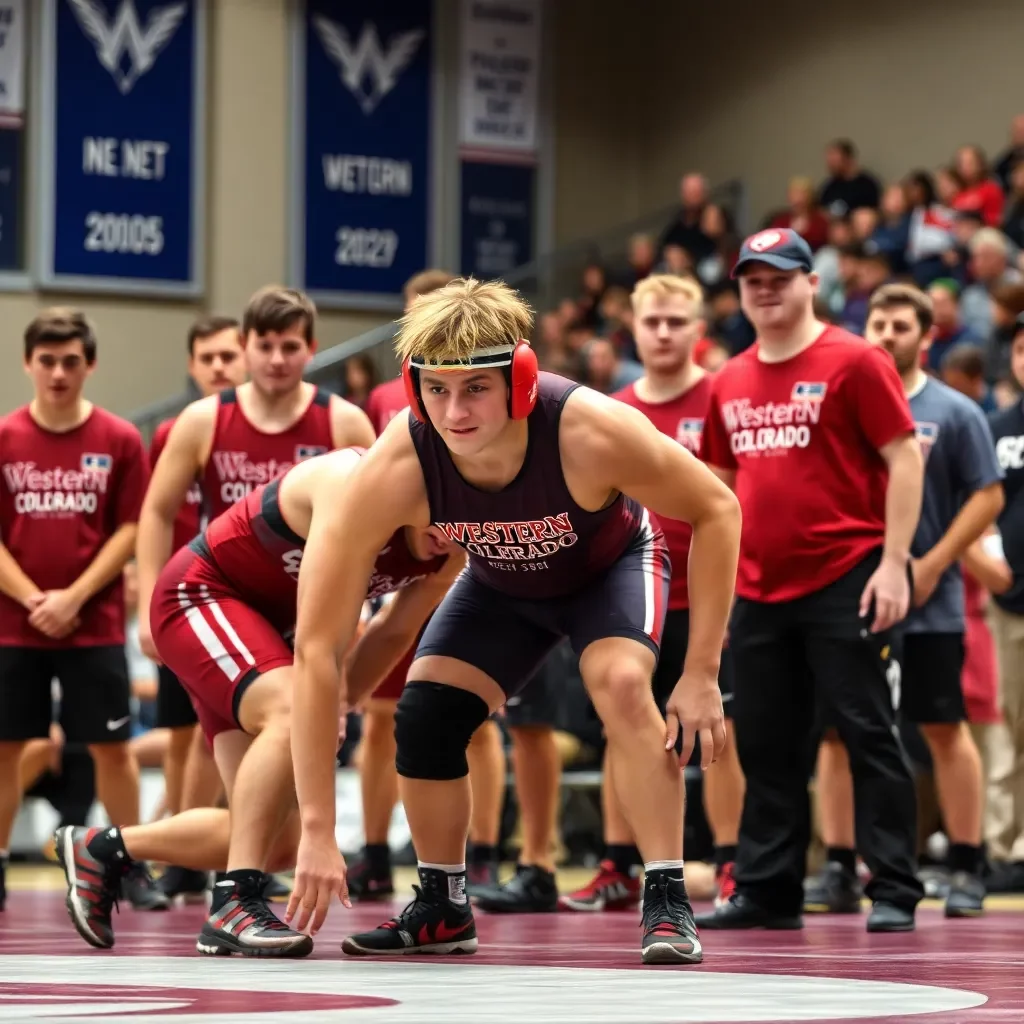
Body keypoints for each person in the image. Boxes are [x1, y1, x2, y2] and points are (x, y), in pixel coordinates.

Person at [286, 277, 740, 965]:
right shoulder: (398, 462)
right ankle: (442, 905)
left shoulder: (588, 428)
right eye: (435, 389)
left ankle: (667, 896)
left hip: (607, 571)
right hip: (501, 582)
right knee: (426, 714)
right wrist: (317, 829)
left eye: (474, 389)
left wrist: (702, 670)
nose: (454, 411)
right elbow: (317, 649)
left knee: (620, 684)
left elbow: (717, 508)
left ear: (520, 380)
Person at [55, 446, 465, 957]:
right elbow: (321, 647)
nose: (450, 533)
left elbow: (392, 630)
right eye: (442, 516)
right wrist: (324, 815)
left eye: (465, 520)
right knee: (292, 713)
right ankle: (233, 900)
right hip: (201, 595)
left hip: (266, 635)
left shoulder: (453, 545)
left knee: (276, 839)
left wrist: (340, 704)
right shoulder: (352, 487)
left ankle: (102, 848)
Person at [694, 228, 927, 934]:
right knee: (767, 742)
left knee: (866, 732)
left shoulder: (855, 360)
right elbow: (718, 491)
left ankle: (892, 885)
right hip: (761, 588)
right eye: (752, 279)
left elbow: (905, 458)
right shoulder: (728, 380)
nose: (765, 289)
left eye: (779, 276)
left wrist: (893, 564)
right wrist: (723, 587)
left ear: (811, 282)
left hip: (845, 576)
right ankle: (769, 888)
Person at [806, 283, 1003, 918]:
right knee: (837, 735)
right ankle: (838, 865)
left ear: (928, 335)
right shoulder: (845, 403)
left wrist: (933, 564)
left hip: (933, 601)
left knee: (944, 728)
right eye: (879, 324)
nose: (887, 335)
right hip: (849, 598)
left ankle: (969, 865)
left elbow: (987, 496)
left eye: (901, 325)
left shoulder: (956, 410)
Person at [559, 274, 746, 914]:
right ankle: (616, 863)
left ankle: (729, 866)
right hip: (631, 589)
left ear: (699, 330)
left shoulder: (722, 397)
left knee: (717, 731)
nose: (664, 332)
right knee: (623, 722)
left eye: (676, 322)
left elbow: (729, 501)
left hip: (704, 591)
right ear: (633, 330)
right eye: (653, 322)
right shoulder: (607, 407)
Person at [348, 267, 506, 901]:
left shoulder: (486, 390)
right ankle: (374, 849)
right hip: (415, 565)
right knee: (383, 712)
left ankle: (485, 851)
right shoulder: (390, 400)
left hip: (480, 562)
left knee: (476, 717)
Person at [0, 309, 161, 910]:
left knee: (112, 748)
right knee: (8, 747)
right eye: (47, 361)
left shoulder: (119, 439)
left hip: (91, 623)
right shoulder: (5, 436)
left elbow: (129, 528)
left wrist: (73, 596)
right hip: (15, 625)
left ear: (89, 365)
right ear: (28, 363)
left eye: (71, 361)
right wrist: (31, 598)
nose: (59, 372)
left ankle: (129, 863)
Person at [135, 285, 375, 666]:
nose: (277, 360)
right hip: (223, 592)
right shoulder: (202, 420)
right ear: (245, 347)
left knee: (299, 719)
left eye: (290, 347)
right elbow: (157, 513)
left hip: (312, 598)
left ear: (311, 348)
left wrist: (360, 603)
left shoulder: (344, 421)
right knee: (247, 717)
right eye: (265, 347)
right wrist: (149, 604)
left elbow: (373, 524)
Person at [146, 316, 247, 905]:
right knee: (186, 732)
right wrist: (147, 606)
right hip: (186, 594)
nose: (217, 367)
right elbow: (155, 516)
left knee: (229, 728)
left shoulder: (263, 427)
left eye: (227, 355)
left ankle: (235, 848)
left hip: (252, 590)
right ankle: (188, 852)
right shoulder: (179, 431)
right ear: (191, 365)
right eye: (206, 357)